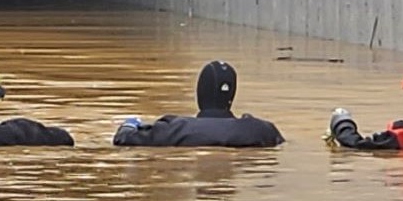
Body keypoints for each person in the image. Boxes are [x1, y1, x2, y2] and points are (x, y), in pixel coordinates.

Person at [113, 61, 283, 148]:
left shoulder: (173, 128)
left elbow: (122, 139)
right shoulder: (261, 130)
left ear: (201, 91)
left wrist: (129, 124)